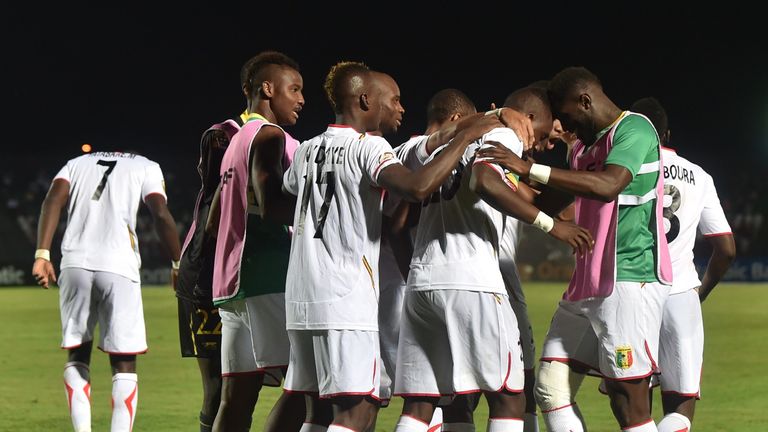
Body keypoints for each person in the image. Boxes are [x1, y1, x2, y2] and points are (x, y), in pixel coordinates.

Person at [281, 61, 506, 432]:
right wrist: (465, 138)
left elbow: (286, 197)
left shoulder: (306, 149)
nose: (398, 108)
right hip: (345, 300)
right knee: (360, 411)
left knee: (318, 412)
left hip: (302, 297)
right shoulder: (369, 147)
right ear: (366, 98)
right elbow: (417, 187)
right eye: (394, 100)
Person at [478, 66, 673, 432]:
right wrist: (505, 174)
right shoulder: (583, 147)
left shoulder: (635, 128)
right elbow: (551, 200)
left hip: (629, 280)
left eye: (567, 117)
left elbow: (608, 185)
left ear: (585, 101)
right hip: (585, 284)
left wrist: (528, 168)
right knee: (550, 388)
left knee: (627, 400)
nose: (566, 128)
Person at [393, 85, 593, 432]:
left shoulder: (424, 147)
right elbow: (486, 180)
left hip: (422, 281)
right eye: (544, 132)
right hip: (472, 281)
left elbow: (528, 192)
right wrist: (551, 227)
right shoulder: (505, 135)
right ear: (527, 120)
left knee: (422, 404)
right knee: (509, 398)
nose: (542, 142)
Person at [32, 150, 181, 432]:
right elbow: (160, 214)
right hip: (119, 266)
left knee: (78, 354)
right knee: (124, 361)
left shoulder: (74, 164)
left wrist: (42, 253)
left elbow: (52, 200)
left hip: (74, 264)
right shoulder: (147, 166)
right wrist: (177, 263)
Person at [206, 50, 306, 432]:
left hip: (231, 284)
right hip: (268, 274)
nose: (301, 99)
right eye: (294, 89)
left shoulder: (236, 138)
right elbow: (275, 207)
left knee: (237, 399)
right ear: (268, 88)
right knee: (309, 384)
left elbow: (214, 221)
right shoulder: (269, 135)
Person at [629, 97, 736, 432]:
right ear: (667, 133)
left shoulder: (622, 167)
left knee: (634, 410)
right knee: (680, 408)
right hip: (680, 295)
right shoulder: (700, 176)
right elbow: (726, 249)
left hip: (633, 292)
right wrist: (700, 292)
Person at [175, 55, 254, 432]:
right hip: (206, 274)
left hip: (239, 274)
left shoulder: (280, 139)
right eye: (294, 89)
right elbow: (215, 210)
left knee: (243, 385)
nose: (301, 99)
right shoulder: (222, 135)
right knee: (220, 387)